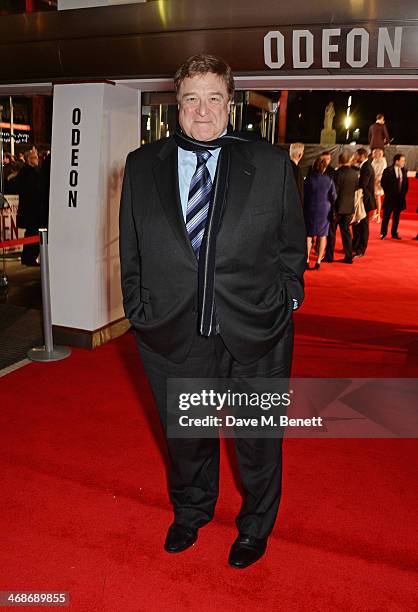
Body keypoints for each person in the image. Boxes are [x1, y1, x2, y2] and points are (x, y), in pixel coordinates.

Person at [119, 54, 306, 570]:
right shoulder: (142, 165)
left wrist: (287, 296)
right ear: (175, 106)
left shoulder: (270, 164)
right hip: (173, 331)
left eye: (214, 98)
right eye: (191, 99)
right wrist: (138, 306)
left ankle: (255, 527)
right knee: (187, 436)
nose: (203, 111)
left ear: (231, 103)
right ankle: (192, 510)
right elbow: (130, 248)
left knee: (257, 440)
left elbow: (293, 244)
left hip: (257, 328)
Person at [324, 151, 358, 264]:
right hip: (349, 207)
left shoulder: (337, 173)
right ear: (348, 160)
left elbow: (334, 192)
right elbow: (355, 189)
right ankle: (348, 256)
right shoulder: (354, 173)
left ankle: (329, 256)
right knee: (346, 232)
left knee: (332, 232)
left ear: (339, 161)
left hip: (337, 207)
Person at [303, 157, 337, 269]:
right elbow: (334, 196)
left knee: (308, 236)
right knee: (323, 235)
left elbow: (304, 195)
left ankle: (307, 259)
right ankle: (318, 261)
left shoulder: (308, 180)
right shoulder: (329, 180)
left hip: (310, 209)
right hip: (324, 210)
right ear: (324, 168)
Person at [15, 149, 42, 266]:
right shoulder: (25, 172)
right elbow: (30, 190)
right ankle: (28, 257)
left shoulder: (34, 171)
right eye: (35, 158)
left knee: (33, 234)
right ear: (29, 160)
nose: (37, 160)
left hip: (35, 210)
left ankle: (29, 257)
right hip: (30, 210)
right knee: (31, 233)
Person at [352, 148, 376, 258]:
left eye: (356, 155)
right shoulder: (364, 166)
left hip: (365, 201)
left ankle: (361, 249)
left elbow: (363, 184)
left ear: (361, 156)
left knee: (363, 226)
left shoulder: (366, 168)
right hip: (362, 199)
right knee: (358, 224)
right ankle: (356, 246)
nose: (355, 157)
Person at [380, 153, 409, 240]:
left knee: (396, 217)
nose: (403, 162)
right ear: (397, 161)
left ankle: (394, 233)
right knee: (386, 217)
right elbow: (383, 183)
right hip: (390, 198)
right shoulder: (388, 170)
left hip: (399, 199)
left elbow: (406, 183)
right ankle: (383, 233)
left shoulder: (404, 170)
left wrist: (403, 194)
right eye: (402, 161)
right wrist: (388, 193)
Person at [371, 147, 387, 223]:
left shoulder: (383, 161)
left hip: (379, 181)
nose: (372, 154)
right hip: (372, 180)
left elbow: (382, 171)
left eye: (374, 153)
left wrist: (377, 180)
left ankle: (378, 214)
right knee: (373, 197)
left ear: (379, 153)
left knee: (378, 198)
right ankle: (374, 213)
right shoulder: (373, 160)